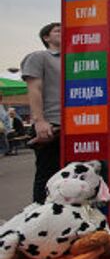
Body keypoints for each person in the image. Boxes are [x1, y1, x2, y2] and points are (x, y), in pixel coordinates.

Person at [21, 23, 62, 203]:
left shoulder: (76, 60)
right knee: (47, 176)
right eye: (58, 30)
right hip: (51, 124)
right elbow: (34, 88)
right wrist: (39, 120)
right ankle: (38, 216)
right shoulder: (39, 57)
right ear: (46, 38)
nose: (63, 32)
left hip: (76, 125)